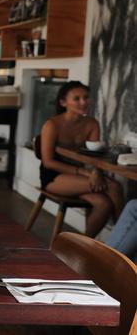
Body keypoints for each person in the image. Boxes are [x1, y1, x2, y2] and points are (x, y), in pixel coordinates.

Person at [39, 81, 123, 238]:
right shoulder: (52, 125)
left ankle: (83, 248)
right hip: (54, 177)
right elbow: (48, 162)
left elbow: (95, 157)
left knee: (104, 204)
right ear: (63, 102)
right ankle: (122, 241)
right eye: (76, 99)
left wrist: (96, 171)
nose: (83, 102)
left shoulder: (92, 124)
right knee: (114, 187)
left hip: (80, 177)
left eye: (86, 97)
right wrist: (86, 173)